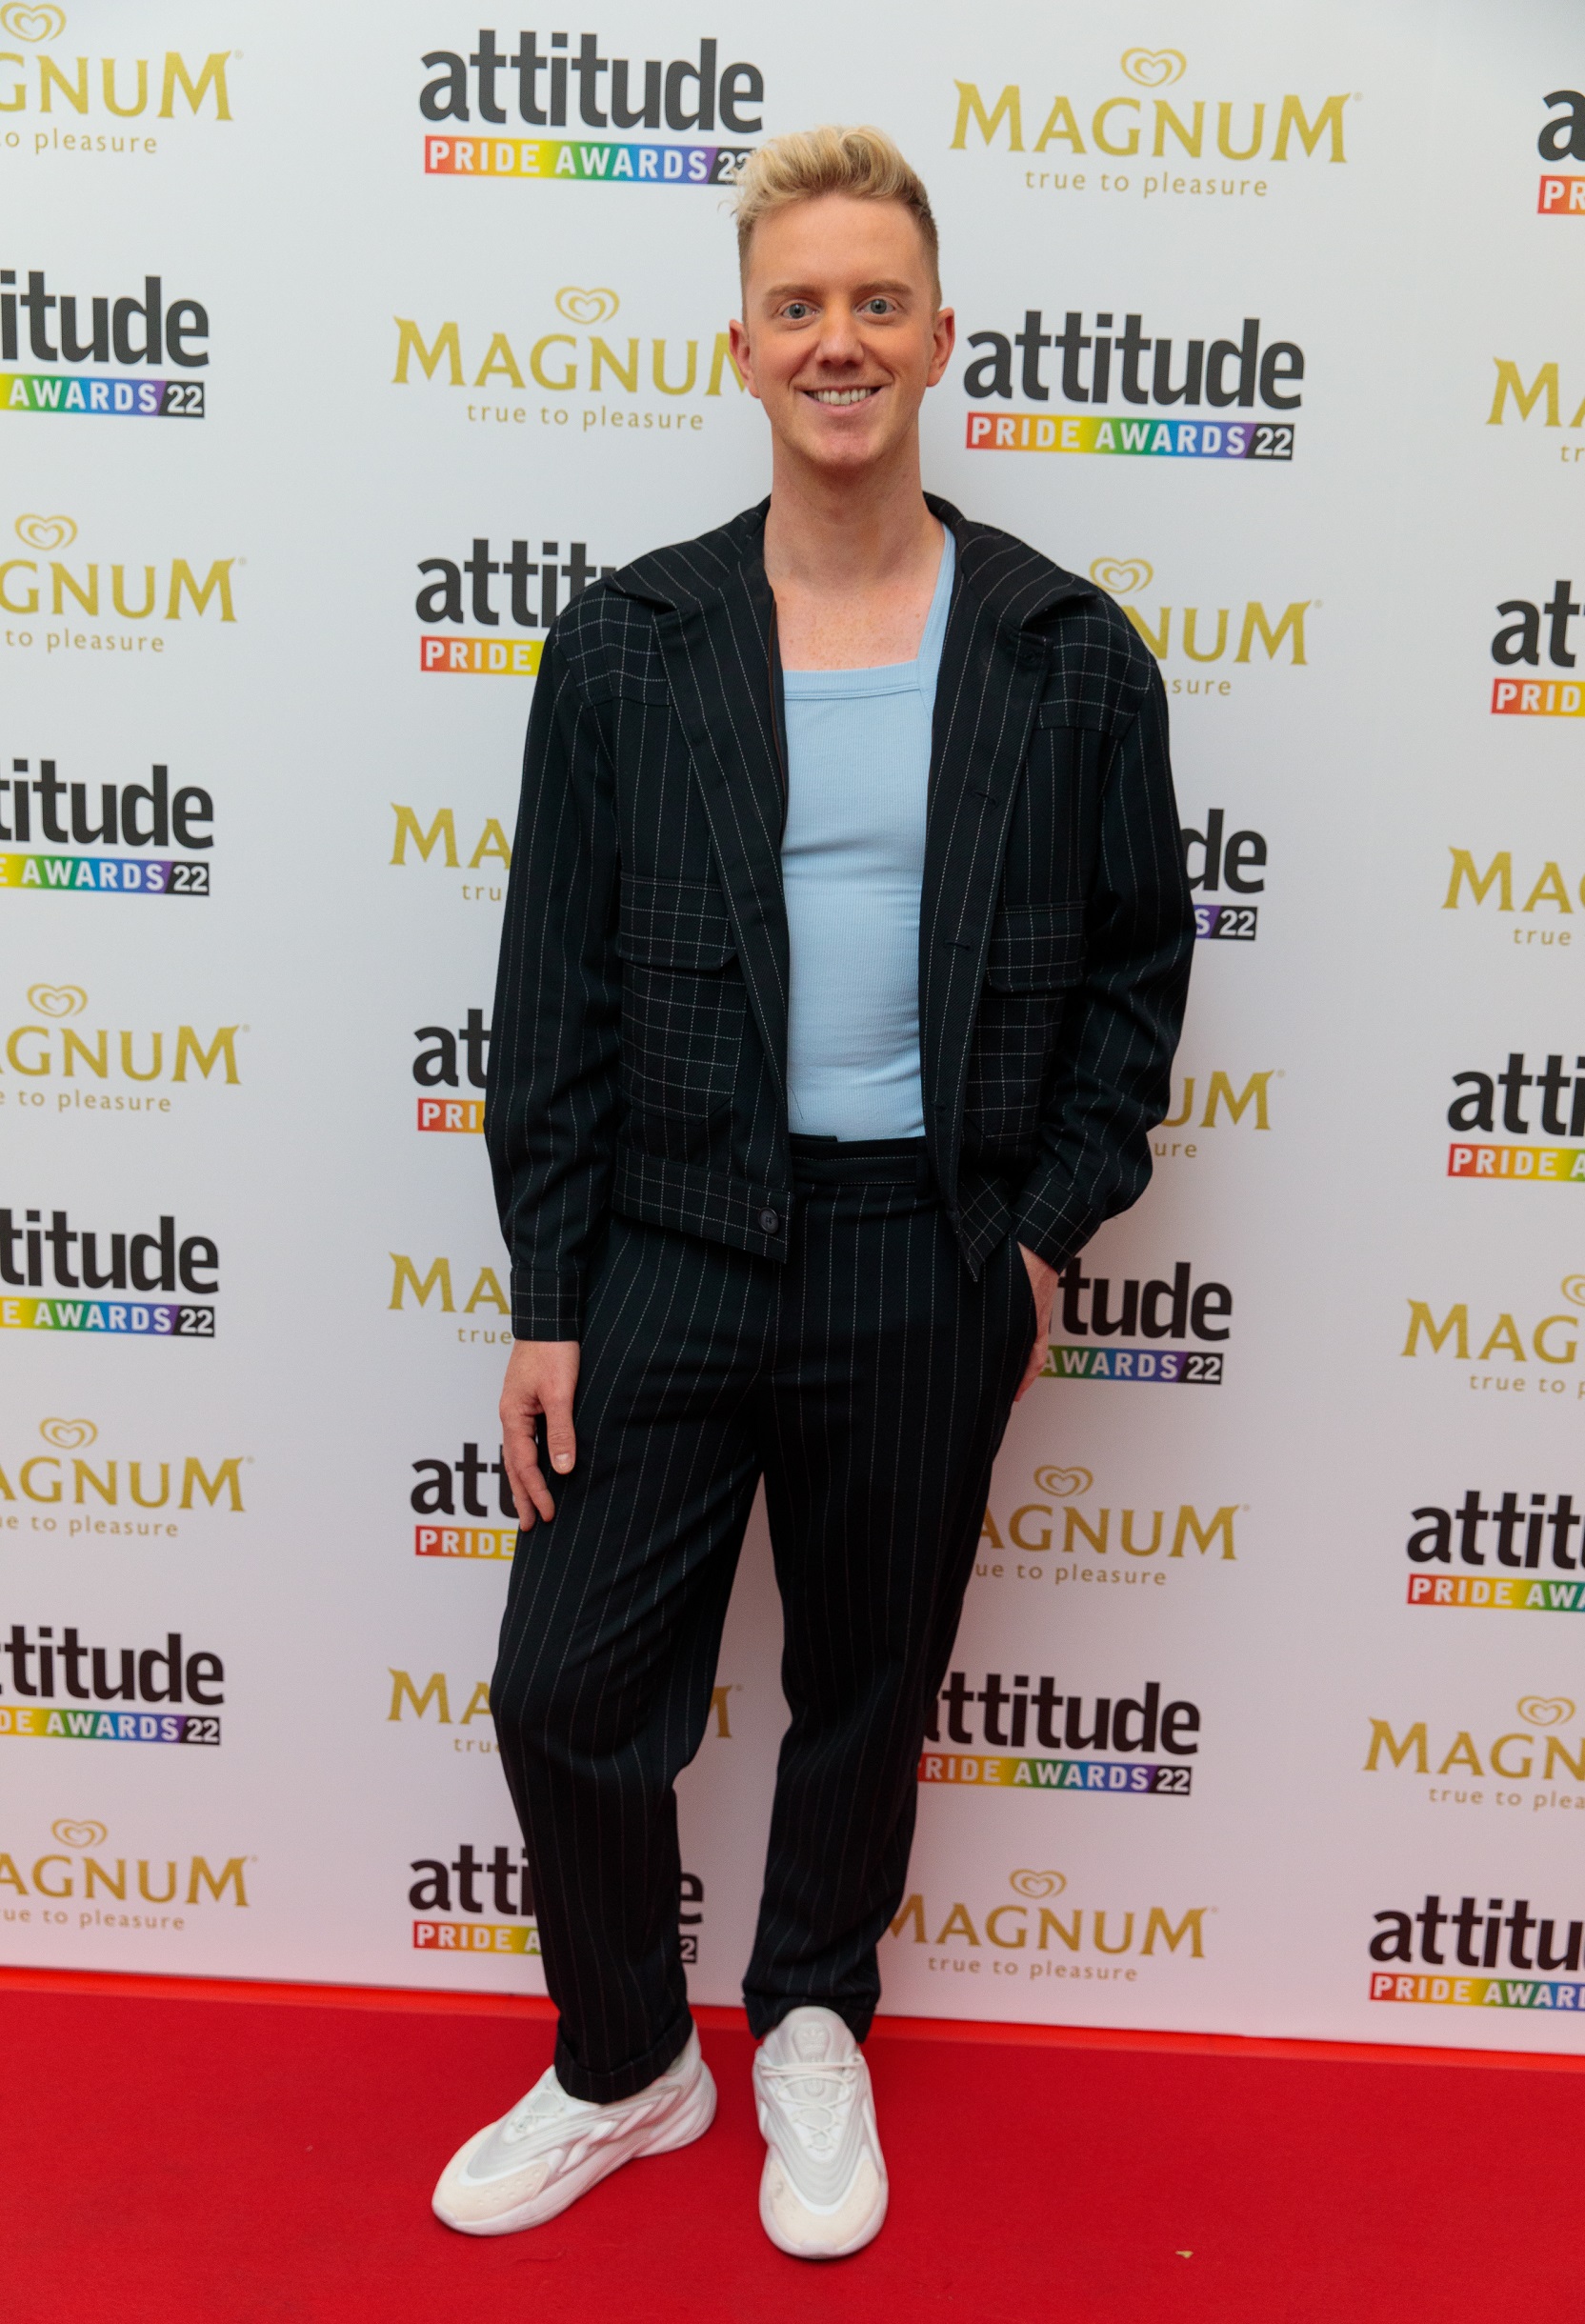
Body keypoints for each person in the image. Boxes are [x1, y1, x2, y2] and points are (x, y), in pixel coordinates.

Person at [434, 124, 1193, 2259]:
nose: (837, 340)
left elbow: (1139, 970)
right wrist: (549, 1292)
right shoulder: (628, 643)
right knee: (566, 1690)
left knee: (866, 1681)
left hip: (923, 1254)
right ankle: (624, 2059)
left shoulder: (1063, 648)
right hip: (670, 1246)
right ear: (743, 349)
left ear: (940, 341)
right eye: (798, 306)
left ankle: (810, 2020)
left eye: (876, 302)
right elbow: (551, 988)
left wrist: (1037, 1228)